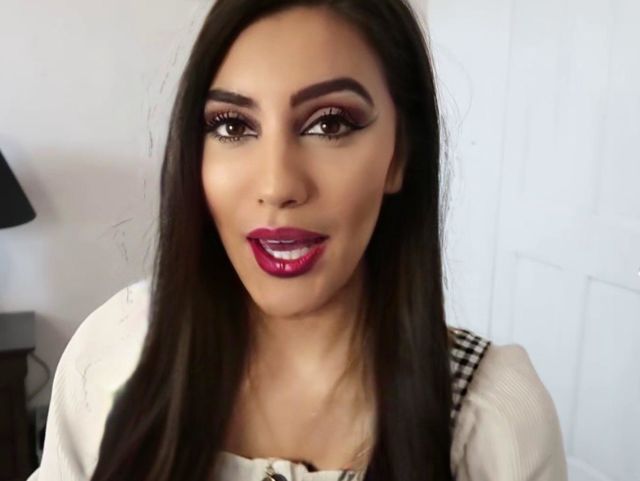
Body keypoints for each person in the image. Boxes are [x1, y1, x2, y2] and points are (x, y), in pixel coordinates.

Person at [27, 1, 568, 480]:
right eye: (233, 126)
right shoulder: (115, 351)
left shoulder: (493, 420)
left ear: (400, 154)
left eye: (329, 124)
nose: (277, 185)